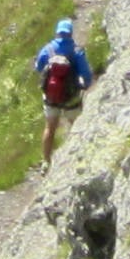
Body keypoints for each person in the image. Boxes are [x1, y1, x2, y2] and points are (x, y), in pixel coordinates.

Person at [31, 16, 90, 155]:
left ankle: (46, 160)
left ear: (57, 32)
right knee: (76, 126)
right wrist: (85, 85)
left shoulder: (47, 49)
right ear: (70, 33)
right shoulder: (76, 51)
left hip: (51, 96)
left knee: (50, 128)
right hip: (71, 95)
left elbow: (39, 68)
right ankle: (79, 155)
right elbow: (86, 74)